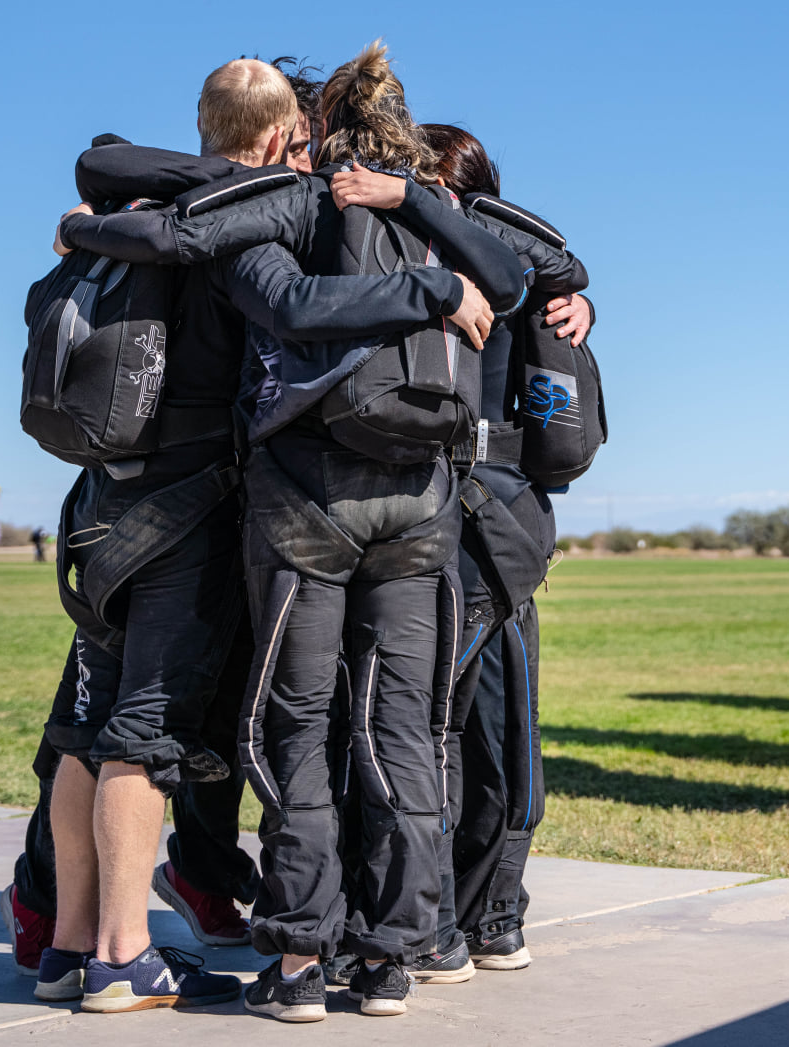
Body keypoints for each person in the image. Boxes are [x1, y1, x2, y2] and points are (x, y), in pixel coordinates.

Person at [56, 41, 526, 1020]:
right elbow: (525, 273)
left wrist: (91, 227)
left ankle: (296, 961)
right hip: (421, 499)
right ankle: (398, 952)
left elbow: (273, 295)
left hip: (288, 500)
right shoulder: (424, 210)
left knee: (289, 727)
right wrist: (432, 255)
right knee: (403, 729)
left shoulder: (265, 206)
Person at [28, 58, 313, 1015]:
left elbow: (98, 157)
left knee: (82, 729)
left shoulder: (134, 204)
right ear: (278, 138)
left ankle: (68, 948)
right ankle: (123, 956)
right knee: (141, 740)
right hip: (187, 515)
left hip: (100, 504)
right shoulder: (253, 208)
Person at [404, 124, 591, 980]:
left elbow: (557, 266)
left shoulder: (507, 269)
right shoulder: (413, 261)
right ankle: (461, 916)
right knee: (450, 724)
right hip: (482, 529)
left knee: (465, 724)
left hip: (484, 529)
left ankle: (485, 914)